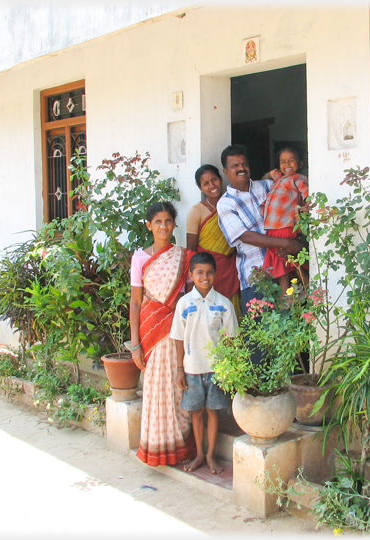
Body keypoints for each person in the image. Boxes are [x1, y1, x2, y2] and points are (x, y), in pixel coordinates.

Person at [128, 201, 196, 466]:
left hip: (176, 325)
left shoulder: (183, 257)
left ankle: (179, 444)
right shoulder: (140, 258)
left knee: (177, 385)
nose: (163, 226)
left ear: (174, 224)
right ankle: (158, 445)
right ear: (149, 226)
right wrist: (135, 343)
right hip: (150, 327)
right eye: (157, 222)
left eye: (168, 221)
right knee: (156, 385)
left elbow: (190, 295)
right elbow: (135, 301)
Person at [216, 144, 303, 316]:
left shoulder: (268, 186)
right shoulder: (225, 203)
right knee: (261, 335)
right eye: (235, 166)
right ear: (226, 172)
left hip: (284, 266)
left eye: (244, 164)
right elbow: (245, 236)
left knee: (292, 326)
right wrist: (286, 243)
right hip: (255, 276)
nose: (241, 168)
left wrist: (296, 240)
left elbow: (293, 204)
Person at [170, 252, 237, 474]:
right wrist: (180, 369)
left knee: (213, 411)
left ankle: (210, 456)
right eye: (199, 273)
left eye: (209, 272)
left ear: (215, 274)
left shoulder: (224, 304)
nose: (205, 277)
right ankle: (199, 454)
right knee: (196, 412)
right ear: (191, 275)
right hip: (191, 368)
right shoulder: (184, 303)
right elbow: (178, 338)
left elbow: (231, 339)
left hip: (216, 369)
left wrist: (230, 369)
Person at [186, 164, 242, 320]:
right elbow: (191, 248)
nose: (212, 185)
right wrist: (191, 283)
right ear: (200, 188)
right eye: (206, 183)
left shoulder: (232, 202)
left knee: (232, 314)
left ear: (220, 179)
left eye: (214, 180)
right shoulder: (196, 211)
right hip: (208, 271)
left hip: (231, 269)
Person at [261, 146, 310, 291]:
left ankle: (289, 300)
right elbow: (264, 179)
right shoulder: (278, 179)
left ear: (300, 163)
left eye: (291, 161)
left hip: (283, 227)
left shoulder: (298, 178)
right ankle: (295, 299)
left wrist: (307, 206)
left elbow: (307, 194)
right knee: (286, 263)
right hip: (274, 228)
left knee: (286, 263)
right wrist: (269, 174)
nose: (287, 164)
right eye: (283, 162)